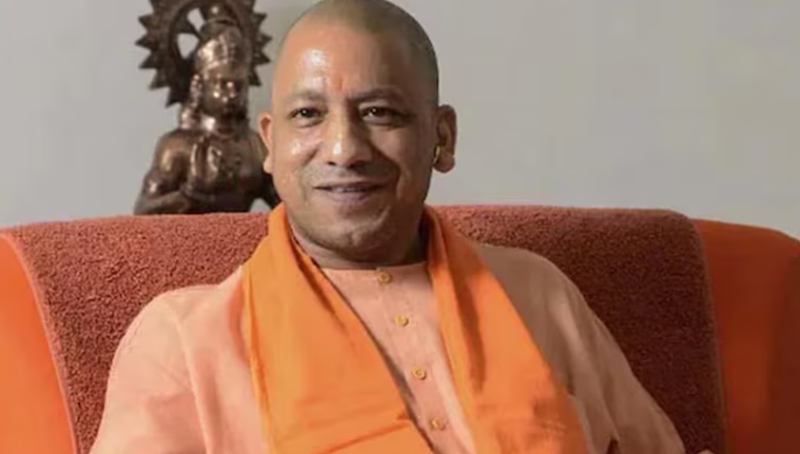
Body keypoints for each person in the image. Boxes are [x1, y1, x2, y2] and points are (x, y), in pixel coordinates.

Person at [91, 1, 691, 453]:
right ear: (269, 144)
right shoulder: (185, 339)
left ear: (442, 138)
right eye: (309, 114)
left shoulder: (538, 295)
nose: (344, 148)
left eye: (379, 113)